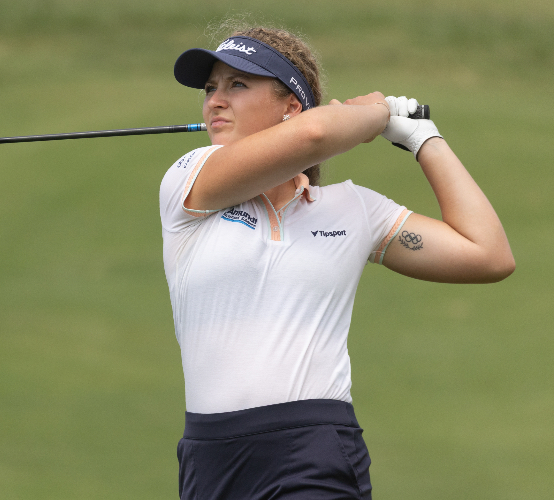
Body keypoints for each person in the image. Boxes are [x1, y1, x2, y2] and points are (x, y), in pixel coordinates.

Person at [159, 25, 515, 500]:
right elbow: (317, 133)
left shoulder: (353, 210)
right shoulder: (188, 182)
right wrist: (377, 112)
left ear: (290, 106)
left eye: (237, 84)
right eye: (210, 89)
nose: (216, 102)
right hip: (210, 461)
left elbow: (487, 254)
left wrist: (424, 139)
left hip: (313, 452)